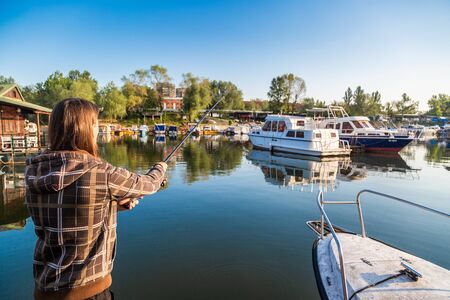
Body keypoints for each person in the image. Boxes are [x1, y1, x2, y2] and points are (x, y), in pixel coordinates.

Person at [25, 98, 167, 300]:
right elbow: (149, 184)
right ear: (86, 129)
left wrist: (110, 206)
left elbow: (61, 213)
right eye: (95, 124)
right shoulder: (100, 172)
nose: (97, 130)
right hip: (87, 292)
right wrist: (160, 168)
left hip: (44, 291)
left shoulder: (34, 171)